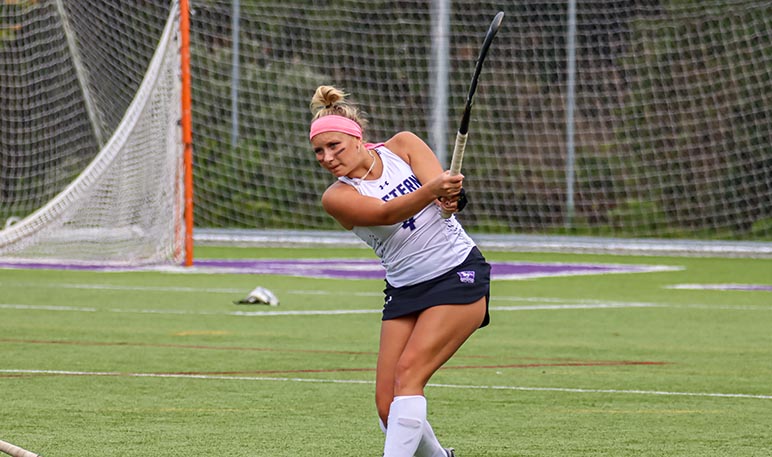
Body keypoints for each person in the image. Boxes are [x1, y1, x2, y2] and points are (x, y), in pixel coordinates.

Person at [308, 85, 491, 457]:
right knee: (386, 405)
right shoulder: (337, 197)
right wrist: (433, 190)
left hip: (456, 272)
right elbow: (385, 214)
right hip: (405, 289)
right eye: (318, 151)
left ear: (358, 139)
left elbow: (445, 196)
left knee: (409, 376)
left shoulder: (403, 145)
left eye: (334, 147)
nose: (326, 157)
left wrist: (451, 195)